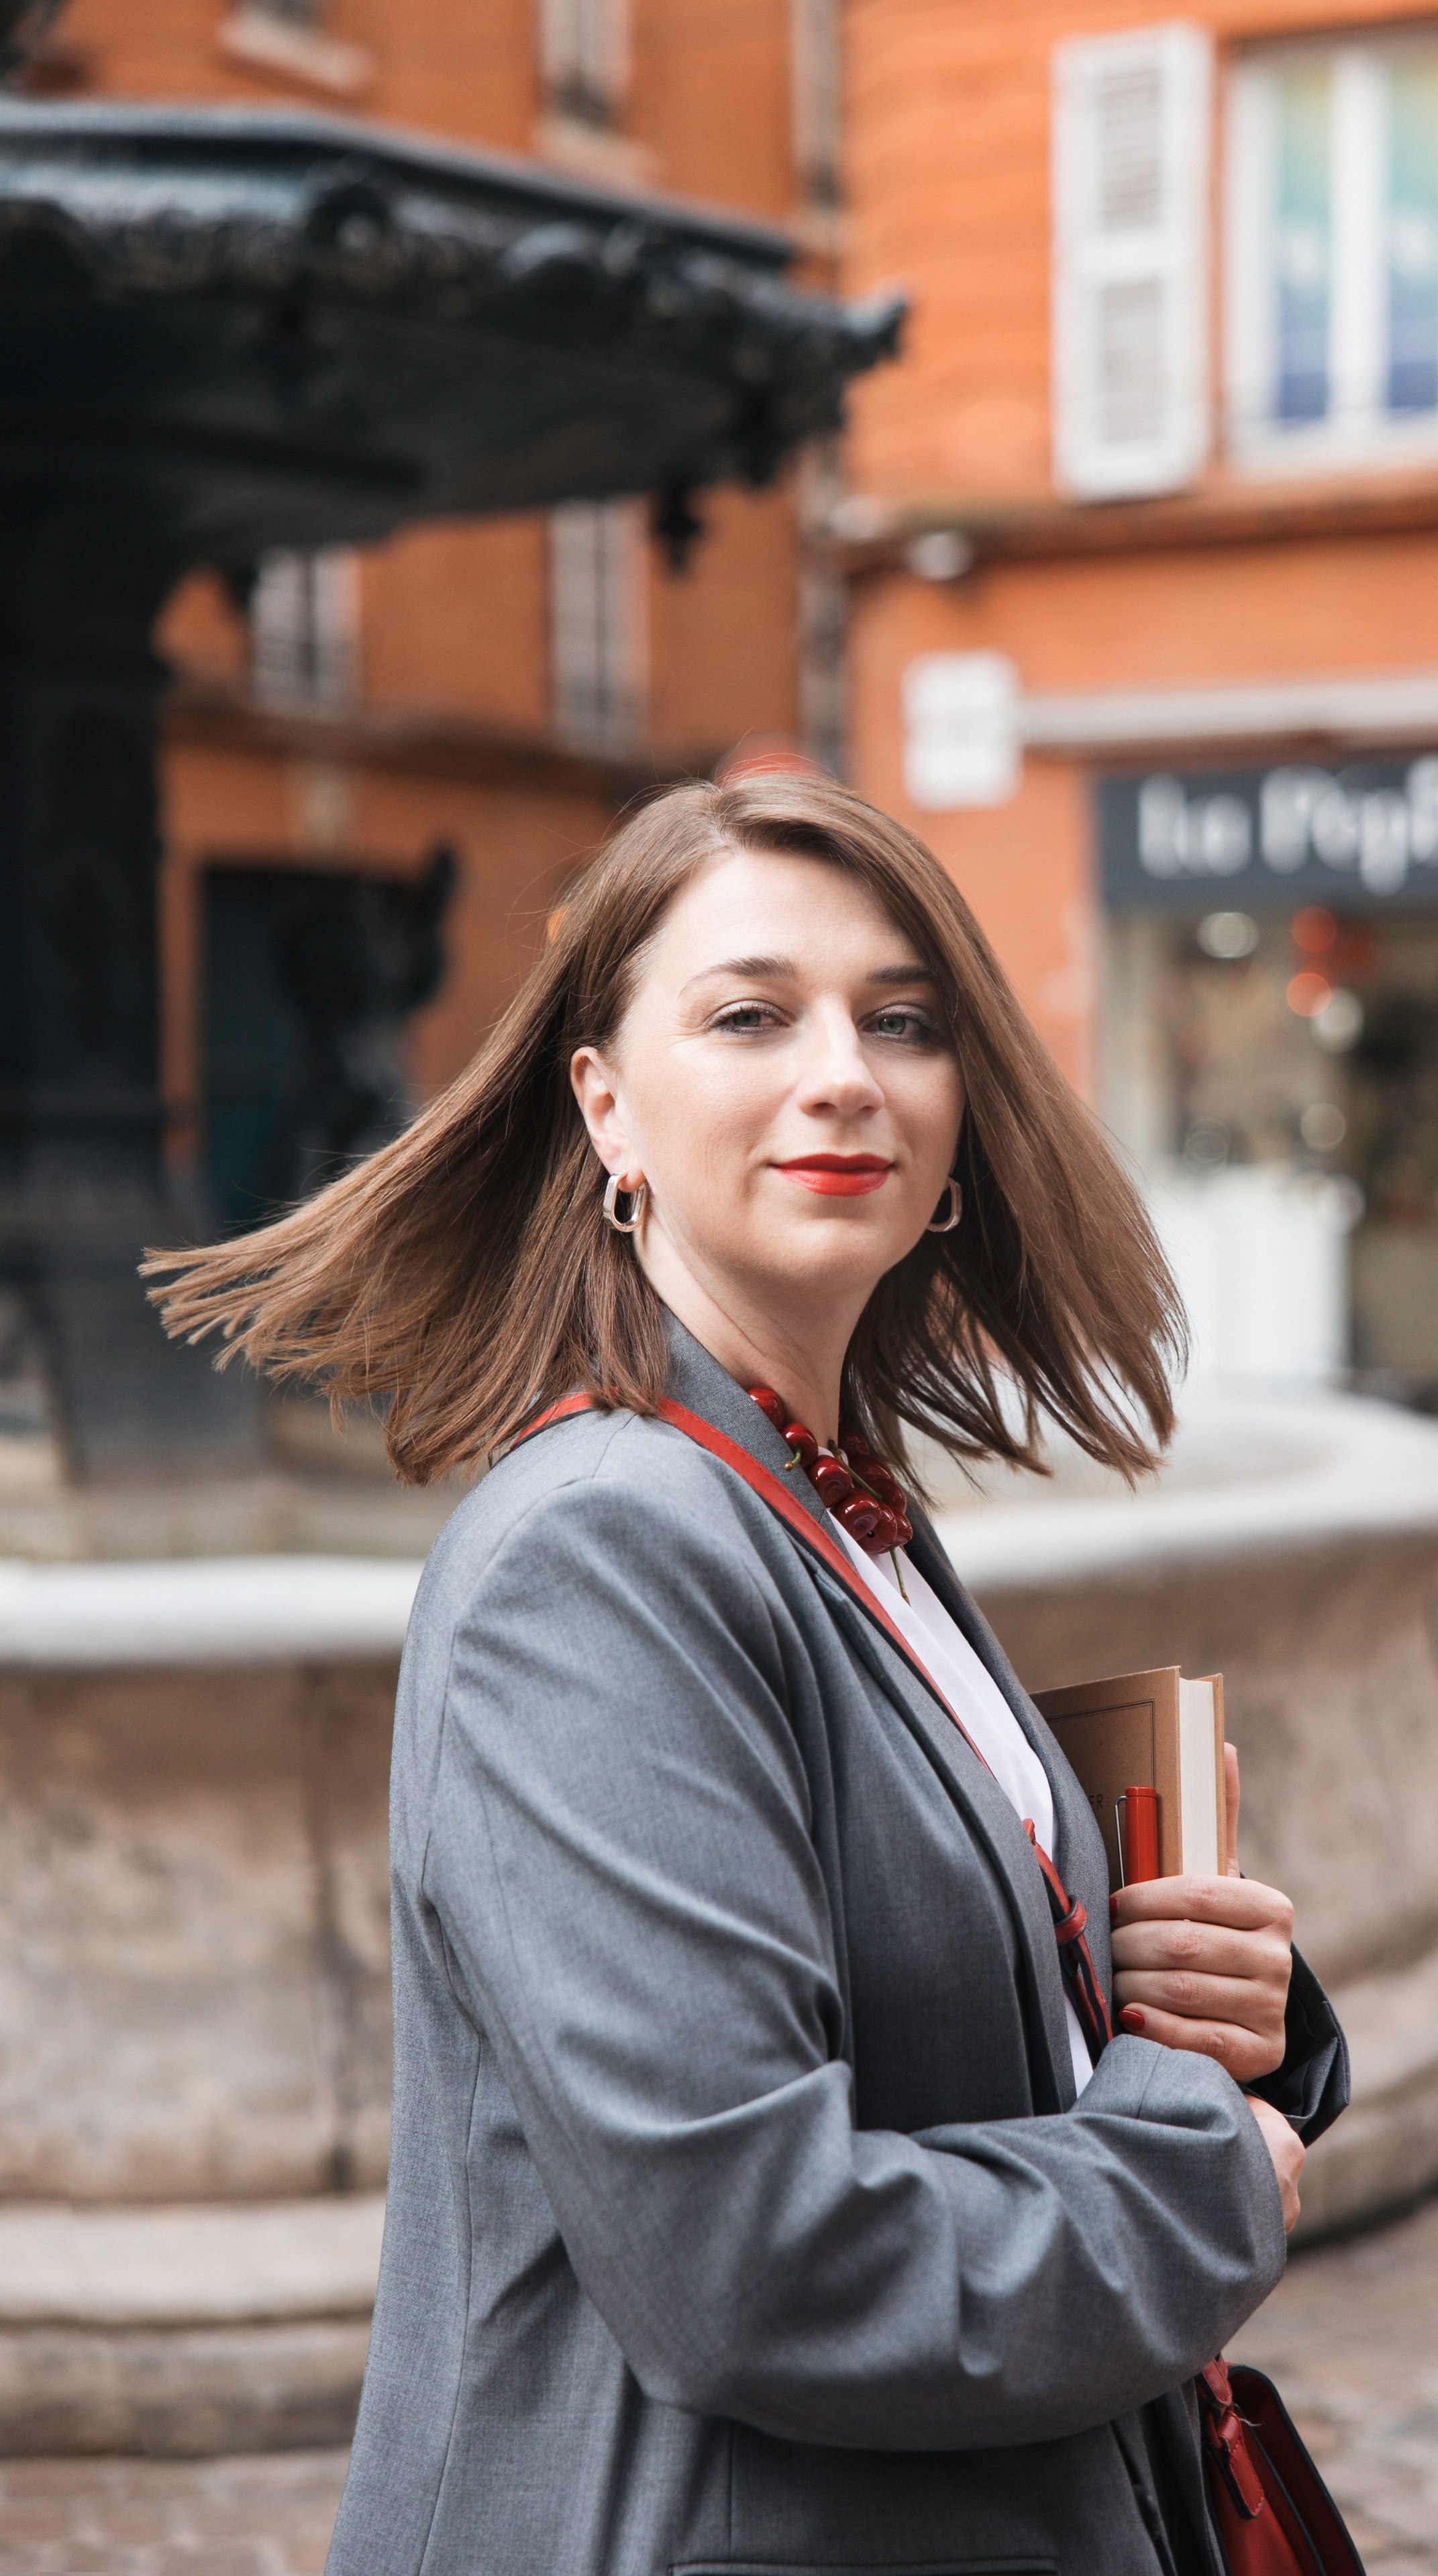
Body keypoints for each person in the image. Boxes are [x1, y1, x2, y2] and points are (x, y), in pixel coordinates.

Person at [150, 775, 1347, 2576]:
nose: (846, 1072)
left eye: (903, 1020)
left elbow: (938, 2016)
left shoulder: (832, 1505)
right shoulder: (600, 1552)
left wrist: (1207, 2001)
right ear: (605, 1107)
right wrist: (1204, 2168)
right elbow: (756, 2264)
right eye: (750, 1016)